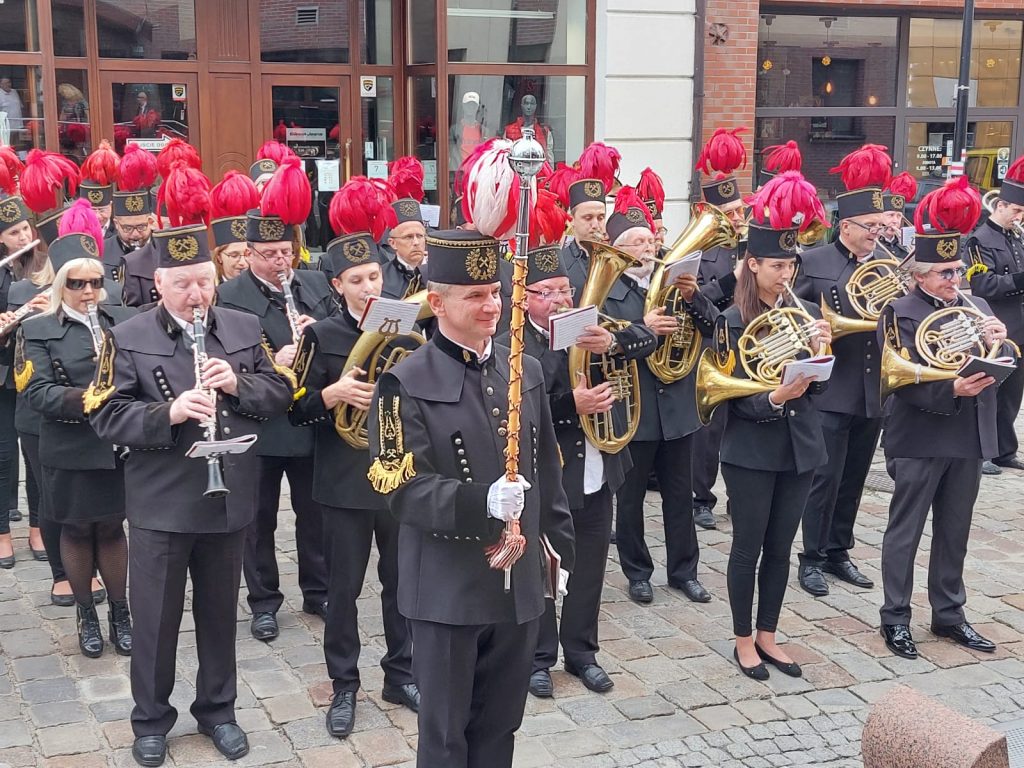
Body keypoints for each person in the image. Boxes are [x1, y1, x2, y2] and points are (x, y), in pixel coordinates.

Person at [88, 222, 294, 767]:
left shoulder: (244, 326)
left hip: (227, 499)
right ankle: (151, 720)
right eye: (183, 285)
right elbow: (105, 413)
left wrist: (237, 384)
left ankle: (218, 711)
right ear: (159, 283)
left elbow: (280, 391)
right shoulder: (126, 336)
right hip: (161, 502)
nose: (196, 295)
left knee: (220, 613)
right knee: (155, 619)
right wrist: (171, 412)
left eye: (204, 282)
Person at [368, 229, 575, 768]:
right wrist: (481, 501)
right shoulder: (402, 382)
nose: (491, 305)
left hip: (517, 586)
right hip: (446, 590)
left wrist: (557, 553)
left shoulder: (524, 369)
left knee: (500, 727)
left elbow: (546, 473)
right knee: (445, 736)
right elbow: (398, 487)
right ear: (437, 303)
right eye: (475, 296)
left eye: (495, 292)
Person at [290, 232, 419, 738]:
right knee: (342, 591)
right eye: (357, 280)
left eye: (374, 277)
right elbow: (293, 410)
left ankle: (401, 673)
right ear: (337, 284)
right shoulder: (319, 335)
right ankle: (344, 684)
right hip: (343, 482)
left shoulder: (405, 325)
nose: (369, 286)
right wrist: (331, 393)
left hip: (396, 471)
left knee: (401, 581)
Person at [878, 179, 1009, 660]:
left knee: (955, 529)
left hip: (968, 433)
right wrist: (949, 386)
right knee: (906, 530)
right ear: (919, 276)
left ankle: (949, 613)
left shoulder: (977, 305)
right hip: (920, 432)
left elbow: (1007, 354)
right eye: (944, 274)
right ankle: (895, 617)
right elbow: (900, 374)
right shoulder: (899, 311)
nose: (955, 280)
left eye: (956, 271)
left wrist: (1002, 338)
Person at [504, 246, 641, 698]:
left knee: (590, 569)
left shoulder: (592, 328)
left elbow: (649, 341)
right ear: (525, 298)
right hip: (550, 475)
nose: (562, 300)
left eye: (566, 289)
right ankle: (539, 658)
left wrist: (614, 343)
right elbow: (519, 411)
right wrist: (572, 405)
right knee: (544, 569)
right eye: (549, 293)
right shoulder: (516, 343)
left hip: (599, 467)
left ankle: (583, 653)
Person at [716, 181, 830, 680]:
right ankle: (743, 639)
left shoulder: (802, 316)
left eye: (791, 266)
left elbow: (821, 391)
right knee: (748, 546)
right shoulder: (731, 321)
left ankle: (769, 634)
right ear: (753, 265)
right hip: (750, 451)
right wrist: (774, 397)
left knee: (782, 547)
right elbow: (733, 399)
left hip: (800, 447)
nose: (785, 274)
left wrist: (824, 354)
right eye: (776, 265)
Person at [216, 167, 334, 641]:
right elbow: (222, 361)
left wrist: (316, 337)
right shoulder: (228, 296)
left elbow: (338, 341)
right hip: (258, 422)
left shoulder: (313, 284)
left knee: (314, 512)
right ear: (248, 255)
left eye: (286, 252)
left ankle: (319, 588)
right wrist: (274, 357)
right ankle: (263, 600)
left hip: (308, 417)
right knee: (257, 517)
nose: (280, 263)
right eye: (268, 256)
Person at [22, 252, 136, 658]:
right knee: (74, 528)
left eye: (95, 282)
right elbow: (36, 392)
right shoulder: (38, 328)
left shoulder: (120, 320)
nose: (88, 291)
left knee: (110, 528)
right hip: (69, 443)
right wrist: (86, 399)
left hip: (115, 443)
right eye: (77, 283)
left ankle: (121, 613)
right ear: (61, 286)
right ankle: (86, 613)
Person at [603, 200, 710, 606]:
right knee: (629, 501)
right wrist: (641, 328)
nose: (648, 249)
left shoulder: (676, 284)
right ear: (618, 250)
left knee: (680, 495)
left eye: (650, 240)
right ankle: (638, 572)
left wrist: (695, 297)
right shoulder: (606, 290)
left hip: (678, 409)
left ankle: (685, 571)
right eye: (637, 243)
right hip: (637, 409)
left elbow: (712, 328)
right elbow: (602, 345)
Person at [794, 175, 890, 598]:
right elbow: (793, 318)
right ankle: (811, 557)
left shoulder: (889, 261)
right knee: (825, 477)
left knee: (854, 476)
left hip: (875, 386)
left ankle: (839, 550)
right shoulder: (814, 262)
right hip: (834, 387)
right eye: (870, 226)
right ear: (845, 225)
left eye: (880, 226)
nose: (877, 233)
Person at [691, 164, 748, 530]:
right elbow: (697, 302)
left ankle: (740, 496)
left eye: (741, 211)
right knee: (709, 430)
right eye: (729, 214)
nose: (738, 219)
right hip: (713, 345)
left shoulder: (754, 246)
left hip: (749, 348)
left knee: (745, 426)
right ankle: (701, 498)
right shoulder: (701, 253)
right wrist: (733, 277)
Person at [964, 164, 1024, 475]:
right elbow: (982, 286)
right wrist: (1020, 280)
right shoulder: (979, 240)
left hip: (1020, 327)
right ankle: (983, 451)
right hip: (996, 326)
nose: (1019, 216)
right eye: (1016, 209)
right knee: (990, 393)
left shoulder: (1017, 238)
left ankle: (1004, 449)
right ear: (1000, 205)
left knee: (1013, 393)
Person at [559, 178, 608, 293]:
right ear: (571, 220)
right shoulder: (561, 263)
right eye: (588, 218)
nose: (596, 225)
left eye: (601, 218)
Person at [381, 198, 427, 299]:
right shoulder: (381, 278)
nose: (416, 242)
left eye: (419, 236)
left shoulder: (439, 272)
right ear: (393, 243)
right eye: (408, 237)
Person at [503, 95, 554, 165]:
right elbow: (504, 156)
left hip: (539, 173)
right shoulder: (509, 130)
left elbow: (549, 156)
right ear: (521, 105)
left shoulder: (545, 131)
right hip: (515, 171)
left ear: (535, 106)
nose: (529, 107)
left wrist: (551, 174)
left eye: (532, 104)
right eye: (526, 104)